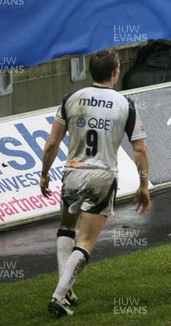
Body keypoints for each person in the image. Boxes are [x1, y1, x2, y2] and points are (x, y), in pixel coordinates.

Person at [40, 50, 150, 316]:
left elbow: (53, 143)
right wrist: (143, 185)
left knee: (66, 228)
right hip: (102, 175)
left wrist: (44, 174)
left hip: (73, 172)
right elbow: (140, 150)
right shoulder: (125, 104)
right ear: (115, 72)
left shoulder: (70, 99)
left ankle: (66, 290)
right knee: (86, 240)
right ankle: (58, 295)